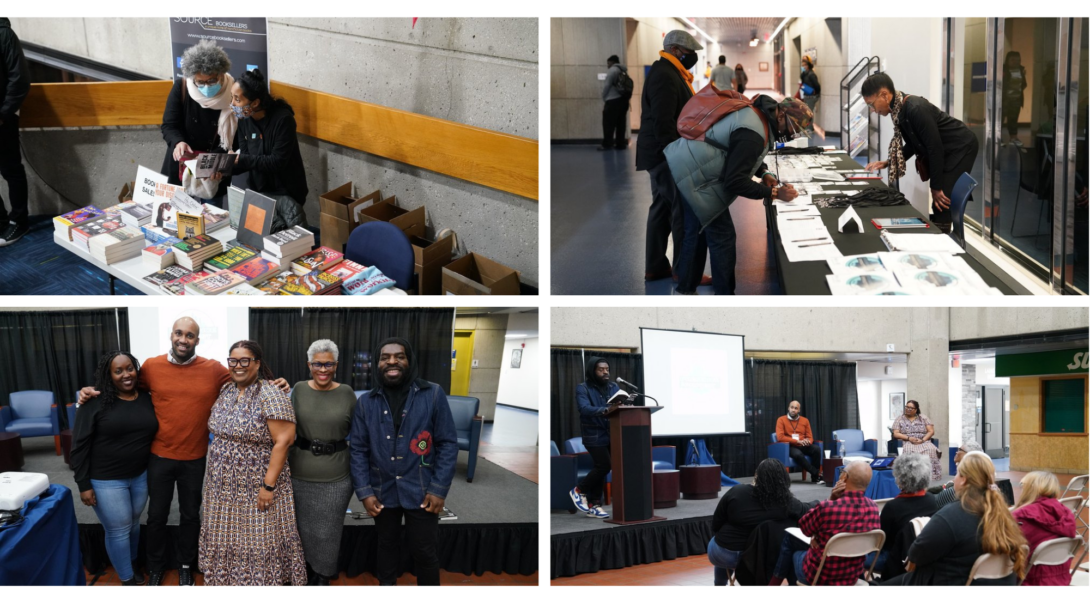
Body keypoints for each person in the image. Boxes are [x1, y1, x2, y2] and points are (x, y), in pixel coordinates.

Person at [77, 317, 290, 586]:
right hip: (159, 457)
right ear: (171, 335)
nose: (183, 339)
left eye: (190, 335)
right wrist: (87, 393)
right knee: (156, 516)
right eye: (179, 333)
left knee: (190, 515)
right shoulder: (152, 366)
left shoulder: (213, 369)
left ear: (197, 341)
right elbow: (122, 385)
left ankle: (186, 564)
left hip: (196, 458)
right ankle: (154, 566)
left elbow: (246, 376)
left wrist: (277, 382)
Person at [664, 96, 811, 295]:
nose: (791, 135)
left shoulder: (759, 117)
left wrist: (764, 173)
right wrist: (774, 193)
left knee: (696, 232)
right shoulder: (754, 133)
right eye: (792, 128)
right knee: (722, 238)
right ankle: (725, 297)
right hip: (694, 173)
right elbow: (734, 181)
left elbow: (742, 154)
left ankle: (685, 289)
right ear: (781, 114)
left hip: (687, 164)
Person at [349, 337, 457, 586]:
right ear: (377, 364)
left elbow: (448, 444)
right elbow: (357, 450)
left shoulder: (432, 394)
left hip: (422, 490)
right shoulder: (366, 402)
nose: (392, 361)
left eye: (399, 356)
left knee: (424, 551)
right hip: (381, 490)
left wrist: (438, 490)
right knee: (386, 547)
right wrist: (365, 493)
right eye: (385, 357)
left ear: (409, 360)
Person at [198, 340, 307, 585]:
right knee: (227, 537)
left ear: (257, 363)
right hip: (222, 488)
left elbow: (284, 441)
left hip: (256, 486)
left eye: (245, 360)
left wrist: (268, 487)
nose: (238, 366)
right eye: (233, 360)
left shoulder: (270, 393)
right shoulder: (226, 390)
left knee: (257, 539)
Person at [71, 351, 158, 586]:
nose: (126, 374)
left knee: (132, 524)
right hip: (106, 480)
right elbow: (78, 446)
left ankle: (129, 563)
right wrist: (83, 484)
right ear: (109, 376)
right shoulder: (94, 402)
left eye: (129, 368)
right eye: (118, 371)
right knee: (118, 530)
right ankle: (127, 578)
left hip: (139, 476)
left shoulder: (146, 398)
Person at [861, 72, 979, 234]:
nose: (873, 110)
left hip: (961, 146)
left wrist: (936, 188)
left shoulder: (915, 108)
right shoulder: (899, 110)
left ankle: (944, 241)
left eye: (871, 104)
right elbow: (912, 144)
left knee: (942, 199)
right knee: (942, 199)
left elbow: (934, 148)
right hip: (944, 149)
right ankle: (942, 235)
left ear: (884, 95)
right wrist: (889, 162)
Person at [884, 452, 1027, 585]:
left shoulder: (952, 516)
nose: (954, 479)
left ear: (964, 480)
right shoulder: (1004, 514)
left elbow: (915, 556)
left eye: (957, 474)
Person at [638, 30, 711, 287]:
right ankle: (684, 270)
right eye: (689, 53)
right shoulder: (665, 75)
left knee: (661, 208)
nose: (692, 57)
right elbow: (663, 121)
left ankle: (655, 267)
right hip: (664, 155)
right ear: (676, 50)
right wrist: (676, 157)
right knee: (683, 210)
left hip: (657, 153)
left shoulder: (670, 72)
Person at [289, 339, 357, 586]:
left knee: (328, 532)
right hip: (298, 473)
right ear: (309, 365)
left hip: (337, 477)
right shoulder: (297, 389)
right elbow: (283, 427)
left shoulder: (347, 393)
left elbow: (359, 436)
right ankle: (303, 570)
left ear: (336, 365)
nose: (323, 369)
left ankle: (323, 575)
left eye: (328, 364)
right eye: (318, 363)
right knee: (301, 528)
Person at [769, 461, 880, 585]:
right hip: (851, 576)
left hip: (819, 576)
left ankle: (774, 584)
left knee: (791, 541)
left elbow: (804, 528)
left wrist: (831, 499)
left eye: (842, 472)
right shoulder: (874, 508)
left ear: (844, 477)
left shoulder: (827, 507)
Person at [227, 68, 307, 231]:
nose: (232, 104)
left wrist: (241, 159)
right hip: (259, 193)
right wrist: (223, 168)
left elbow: (277, 162)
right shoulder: (244, 120)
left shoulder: (283, 120)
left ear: (255, 103)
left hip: (286, 194)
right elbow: (247, 159)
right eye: (232, 98)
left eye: (237, 99)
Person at [709, 458, 811, 585]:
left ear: (758, 476)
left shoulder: (737, 491)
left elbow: (716, 524)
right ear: (783, 479)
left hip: (723, 553)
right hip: (757, 558)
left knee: (721, 541)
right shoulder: (785, 503)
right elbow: (807, 509)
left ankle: (719, 584)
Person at [160, 40, 237, 207]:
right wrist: (178, 142)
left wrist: (216, 165)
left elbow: (236, 139)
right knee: (171, 220)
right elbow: (169, 125)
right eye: (200, 82)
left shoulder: (235, 92)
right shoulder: (182, 87)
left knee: (210, 225)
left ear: (221, 74)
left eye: (211, 81)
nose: (206, 86)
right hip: (180, 166)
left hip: (213, 171)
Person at [869, 453, 938, 580]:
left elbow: (880, 541)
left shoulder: (893, 506)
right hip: (921, 554)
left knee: (858, 556)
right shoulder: (931, 500)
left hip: (894, 557)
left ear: (901, 479)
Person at [568, 358, 620, 519]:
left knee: (600, 468)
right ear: (593, 371)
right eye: (601, 369)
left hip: (613, 432)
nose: (605, 372)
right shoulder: (583, 388)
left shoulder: (614, 387)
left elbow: (616, 406)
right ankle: (578, 490)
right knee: (604, 465)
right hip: (594, 434)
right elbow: (584, 409)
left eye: (607, 369)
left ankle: (594, 504)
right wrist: (606, 409)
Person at [1011, 471, 1078, 586]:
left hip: (1029, 580)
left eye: (1022, 485)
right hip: (1060, 580)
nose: (1021, 489)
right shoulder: (1066, 513)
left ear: (1030, 489)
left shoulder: (1021, 517)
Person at [0, 18, 30, 247]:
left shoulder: (4, 34)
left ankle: (19, 222)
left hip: (3, 119)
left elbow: (19, 79)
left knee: (11, 170)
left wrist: (3, 113)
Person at [774, 400, 823, 484]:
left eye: (796, 408)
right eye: (792, 407)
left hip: (802, 444)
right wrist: (797, 441)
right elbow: (780, 437)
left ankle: (815, 478)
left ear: (799, 410)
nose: (793, 410)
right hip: (789, 446)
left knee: (817, 449)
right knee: (798, 454)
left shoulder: (805, 420)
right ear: (788, 408)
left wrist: (807, 441)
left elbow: (810, 437)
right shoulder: (781, 420)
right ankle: (816, 473)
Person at [891, 400, 941, 481]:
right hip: (907, 441)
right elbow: (896, 433)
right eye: (907, 407)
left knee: (931, 449)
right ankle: (909, 476)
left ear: (916, 409)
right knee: (908, 450)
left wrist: (922, 440)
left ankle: (929, 476)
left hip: (923, 441)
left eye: (911, 408)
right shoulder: (899, 419)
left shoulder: (923, 418)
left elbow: (931, 431)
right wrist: (908, 438)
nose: (908, 409)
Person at [928, 440, 982, 507]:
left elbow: (937, 500)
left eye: (960, 450)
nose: (956, 452)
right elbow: (944, 487)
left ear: (968, 455)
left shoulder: (962, 484)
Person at [599, 55, 629, 151]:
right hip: (623, 101)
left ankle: (607, 144)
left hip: (612, 101)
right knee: (621, 124)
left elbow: (607, 85)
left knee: (608, 124)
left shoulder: (612, 70)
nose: (607, 65)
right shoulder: (623, 71)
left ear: (612, 62)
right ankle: (620, 144)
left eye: (608, 63)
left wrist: (604, 97)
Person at [1001, 51, 1027, 145]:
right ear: (1007, 60)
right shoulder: (1003, 69)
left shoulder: (1021, 70)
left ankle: (1013, 138)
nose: (1016, 62)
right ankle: (998, 138)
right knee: (1000, 118)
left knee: (1013, 119)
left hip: (1016, 99)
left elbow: (1024, 84)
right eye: (1013, 60)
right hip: (1004, 99)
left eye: (1018, 60)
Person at [799, 57, 820, 132]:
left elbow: (817, 86)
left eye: (804, 65)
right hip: (806, 95)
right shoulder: (804, 75)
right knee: (806, 112)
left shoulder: (811, 74)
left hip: (811, 96)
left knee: (809, 112)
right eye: (802, 65)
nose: (803, 67)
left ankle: (809, 128)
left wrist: (815, 93)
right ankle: (808, 127)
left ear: (808, 65)